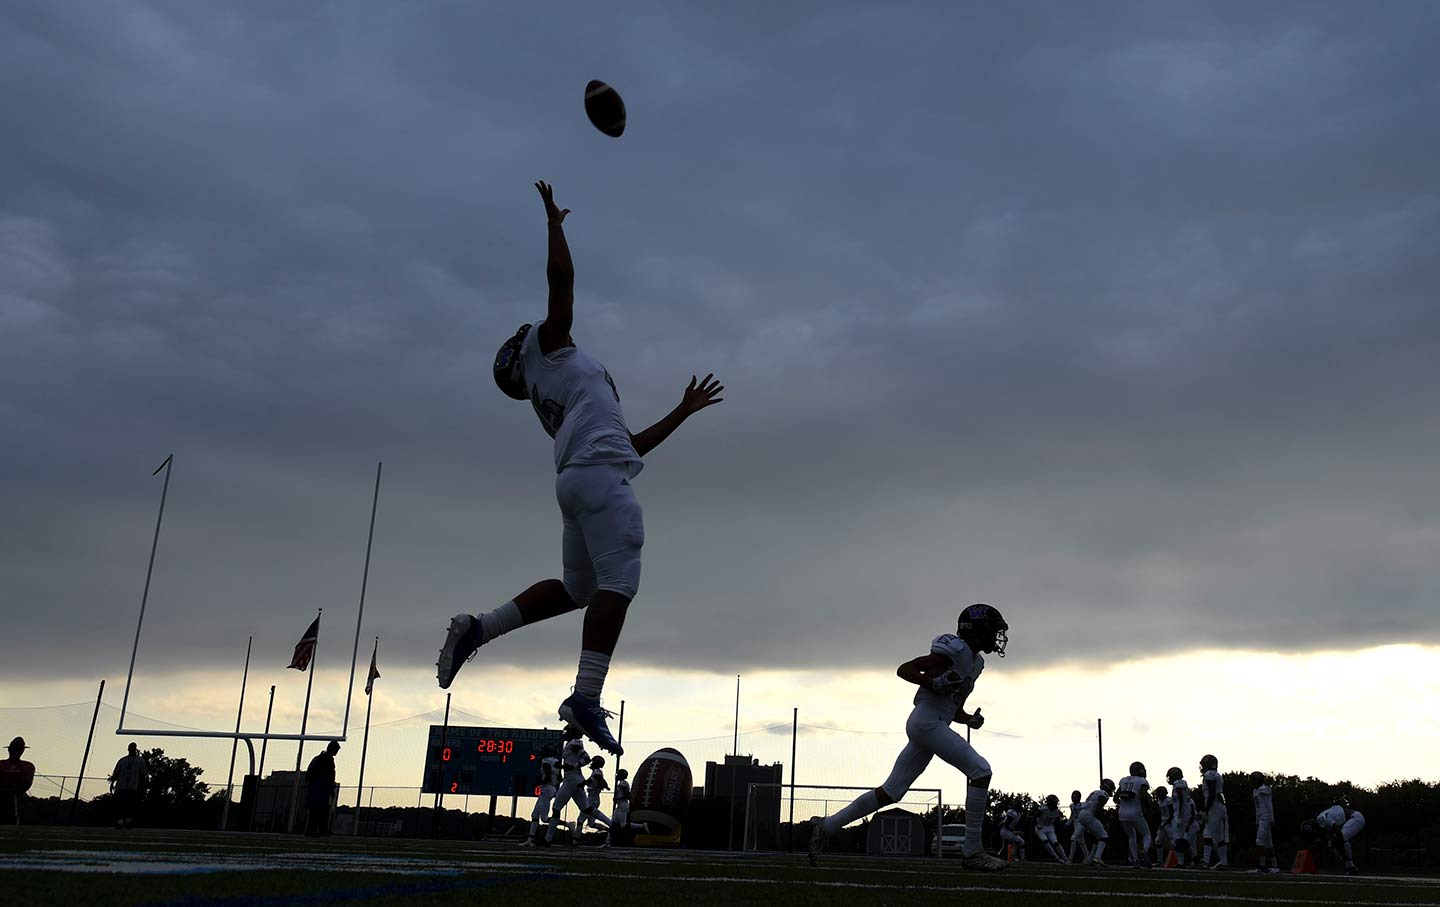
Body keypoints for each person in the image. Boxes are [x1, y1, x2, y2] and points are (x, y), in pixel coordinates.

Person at [436, 181, 725, 757]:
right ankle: (585, 696)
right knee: (620, 581)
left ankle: (481, 627)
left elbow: (626, 444)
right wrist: (554, 225)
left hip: (580, 482)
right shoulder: (551, 351)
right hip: (592, 480)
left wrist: (682, 412)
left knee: (579, 587)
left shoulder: (558, 389)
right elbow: (561, 287)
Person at [809, 604, 1011, 873]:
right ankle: (972, 851)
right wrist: (931, 682)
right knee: (981, 770)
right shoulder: (956, 650)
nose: (996, 635)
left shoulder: (975, 662)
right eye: (992, 629)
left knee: (892, 791)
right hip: (926, 722)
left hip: (931, 723)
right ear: (977, 631)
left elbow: (950, 705)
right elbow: (906, 669)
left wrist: (967, 719)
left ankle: (827, 827)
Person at [547, 734, 605, 845]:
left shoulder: (574, 743)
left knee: (556, 808)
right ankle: (611, 825)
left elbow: (586, 758)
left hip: (572, 780)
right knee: (586, 811)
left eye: (568, 730)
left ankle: (548, 839)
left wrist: (572, 767)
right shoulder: (571, 744)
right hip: (575, 780)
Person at [1303, 804, 1365, 875]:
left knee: (1341, 838)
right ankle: (1350, 867)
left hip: (1355, 818)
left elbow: (1337, 831)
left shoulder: (1323, 818)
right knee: (1334, 843)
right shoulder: (1321, 820)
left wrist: (1340, 848)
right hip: (1350, 820)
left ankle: (1350, 867)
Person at [521, 745, 560, 847]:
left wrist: (539, 783)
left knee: (544, 818)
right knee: (534, 815)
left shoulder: (546, 761)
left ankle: (568, 824)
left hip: (547, 788)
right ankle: (530, 839)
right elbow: (560, 778)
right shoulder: (556, 762)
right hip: (552, 788)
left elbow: (547, 775)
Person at [1116, 761, 1152, 867]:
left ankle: (1135, 860)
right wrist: (1149, 807)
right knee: (1146, 835)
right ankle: (1144, 851)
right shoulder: (1142, 781)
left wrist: (1124, 804)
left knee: (1132, 836)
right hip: (1135, 811)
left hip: (1122, 813)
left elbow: (1115, 798)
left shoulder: (1123, 780)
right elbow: (1142, 796)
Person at [1198, 754, 1229, 869]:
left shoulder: (1208, 775)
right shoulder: (1218, 775)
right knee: (1220, 837)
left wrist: (1206, 810)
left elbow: (1211, 794)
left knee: (1207, 833)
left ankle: (1206, 861)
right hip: (1220, 806)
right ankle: (1224, 863)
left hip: (1214, 807)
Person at [304, 741, 340, 837]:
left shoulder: (320, 758)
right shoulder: (325, 760)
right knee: (318, 810)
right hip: (319, 787)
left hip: (319, 787)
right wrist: (330, 788)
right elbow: (329, 776)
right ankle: (315, 830)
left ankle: (318, 830)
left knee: (320, 810)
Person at [109, 742, 148, 830]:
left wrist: (142, 786)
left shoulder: (128, 760)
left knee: (128, 805)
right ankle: (123, 822)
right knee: (124, 805)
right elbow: (116, 774)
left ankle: (125, 822)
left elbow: (142, 775)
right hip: (126, 786)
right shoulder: (125, 760)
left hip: (129, 786)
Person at [1076, 780, 1115, 867]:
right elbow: (1099, 807)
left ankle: (1090, 860)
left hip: (1082, 814)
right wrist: (1103, 820)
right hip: (1089, 815)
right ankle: (1097, 857)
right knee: (1104, 835)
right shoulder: (1103, 794)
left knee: (1097, 837)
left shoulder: (1095, 792)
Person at [0, 737, 36, 826]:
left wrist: (12, 791)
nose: (16, 752)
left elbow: (27, 783)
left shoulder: (27, 766)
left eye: (19, 749)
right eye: (14, 749)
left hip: (18, 796)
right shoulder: (1, 764)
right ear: (9, 749)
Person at [1165, 766, 1195, 868]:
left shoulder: (1179, 783)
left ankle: (1185, 860)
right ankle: (1187, 860)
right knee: (1179, 839)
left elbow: (1182, 800)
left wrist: (1179, 816)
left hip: (1182, 813)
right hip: (1181, 812)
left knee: (1177, 839)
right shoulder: (1178, 784)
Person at [1250, 771, 1279, 873]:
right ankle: (1275, 866)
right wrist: (1257, 820)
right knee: (1268, 844)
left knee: (1259, 841)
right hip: (1261, 817)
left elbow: (1268, 805)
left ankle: (1262, 866)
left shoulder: (1264, 789)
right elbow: (1257, 808)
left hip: (1266, 817)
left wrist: (1271, 819)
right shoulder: (1256, 790)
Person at [582, 755, 612, 832]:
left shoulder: (597, 772)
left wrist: (605, 785)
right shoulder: (594, 773)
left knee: (581, 818)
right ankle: (609, 830)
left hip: (593, 799)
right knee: (591, 823)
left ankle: (576, 838)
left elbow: (600, 779)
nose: (591, 763)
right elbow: (589, 781)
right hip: (593, 798)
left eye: (593, 762)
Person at [1033, 795, 1067, 863]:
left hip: (1050, 827)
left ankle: (1065, 858)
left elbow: (1058, 820)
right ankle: (1056, 858)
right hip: (1041, 827)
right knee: (1045, 841)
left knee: (1055, 843)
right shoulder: (1043, 808)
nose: (1056, 804)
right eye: (1055, 802)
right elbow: (1035, 814)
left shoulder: (1056, 811)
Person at [1066, 789, 1092, 864]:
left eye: (1075, 796)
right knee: (1081, 842)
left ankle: (1070, 859)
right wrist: (1066, 824)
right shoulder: (1071, 806)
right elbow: (1072, 817)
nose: (1073, 798)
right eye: (1072, 796)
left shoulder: (1083, 805)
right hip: (1076, 824)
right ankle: (1088, 857)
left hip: (1081, 823)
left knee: (1073, 838)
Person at [1153, 785, 1173, 860]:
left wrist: (1165, 824)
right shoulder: (1160, 801)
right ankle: (1160, 860)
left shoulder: (1169, 801)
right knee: (1158, 841)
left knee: (1173, 841)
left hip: (1170, 823)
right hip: (1164, 822)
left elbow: (1172, 814)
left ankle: (1178, 860)